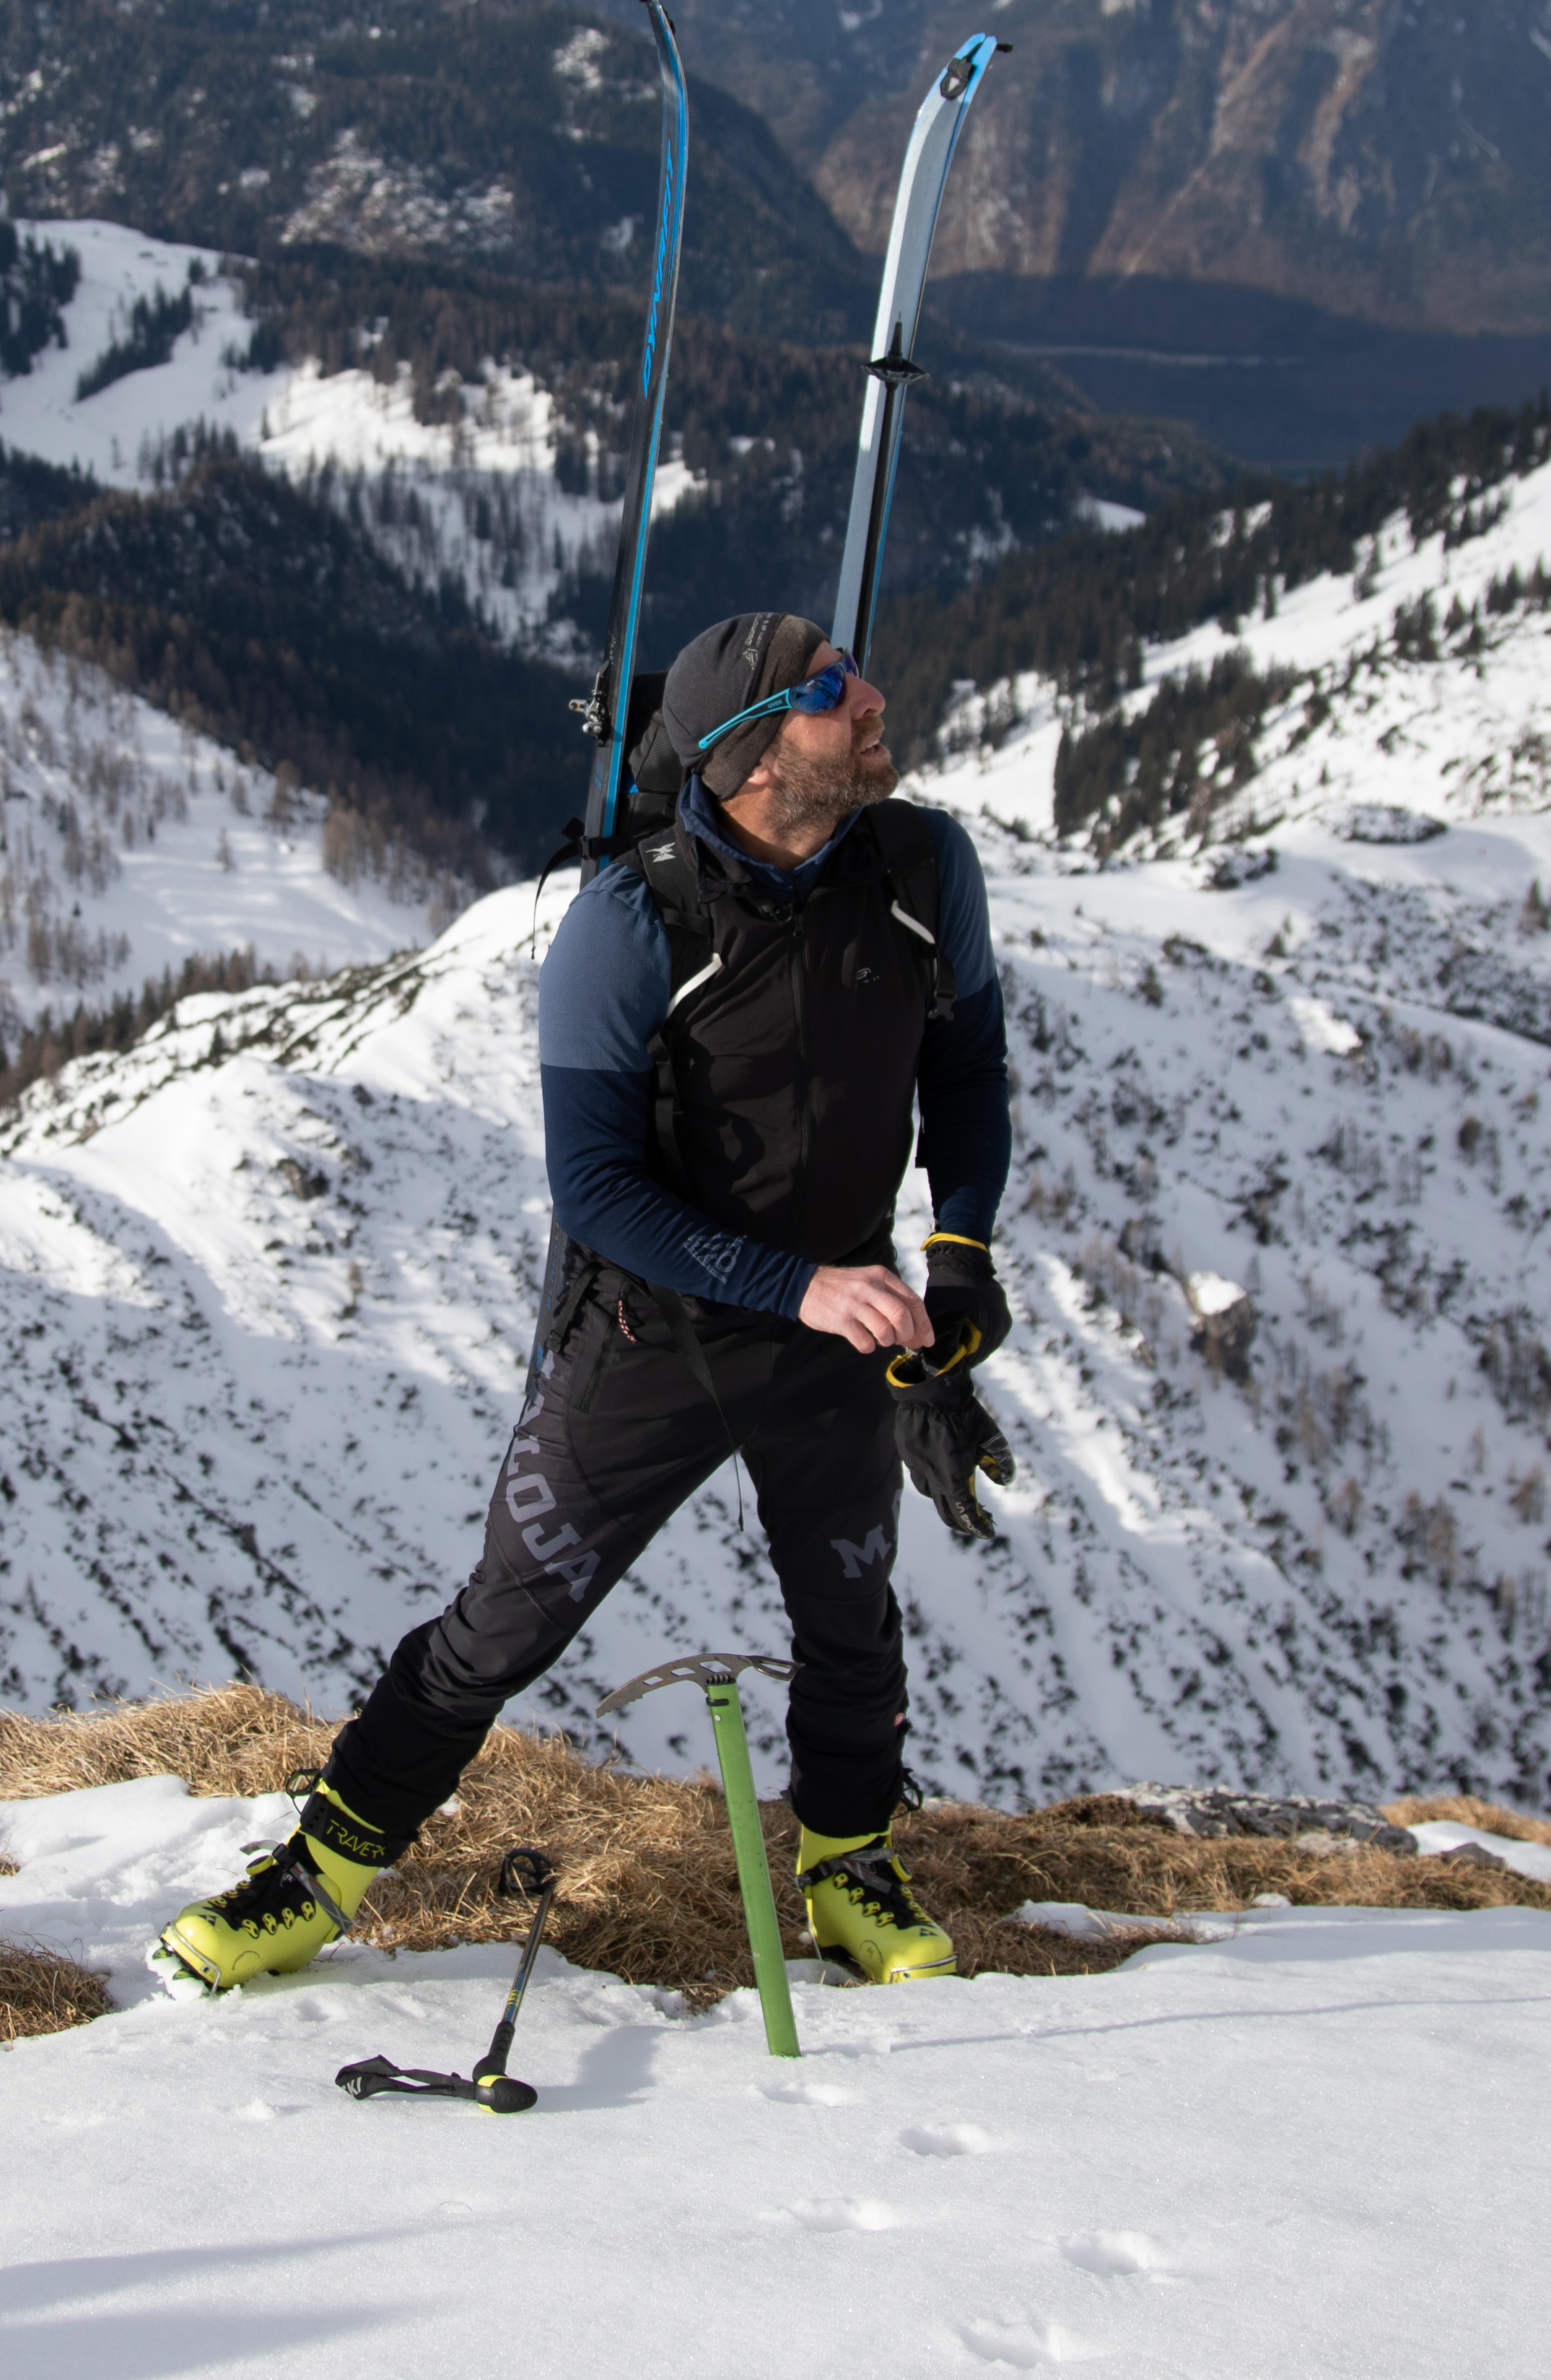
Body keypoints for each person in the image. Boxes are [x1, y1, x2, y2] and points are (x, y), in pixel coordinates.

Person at [155, 611, 1018, 1994]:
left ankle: (849, 1864)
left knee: (850, 1619)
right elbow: (598, 1190)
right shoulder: (633, 922)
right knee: (502, 1622)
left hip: (839, 1319)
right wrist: (802, 1287)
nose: (872, 699)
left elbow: (967, 1072)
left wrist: (959, 1257)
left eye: (849, 672)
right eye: (829, 691)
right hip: (652, 1333)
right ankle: (318, 1871)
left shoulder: (925, 865)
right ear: (750, 762)